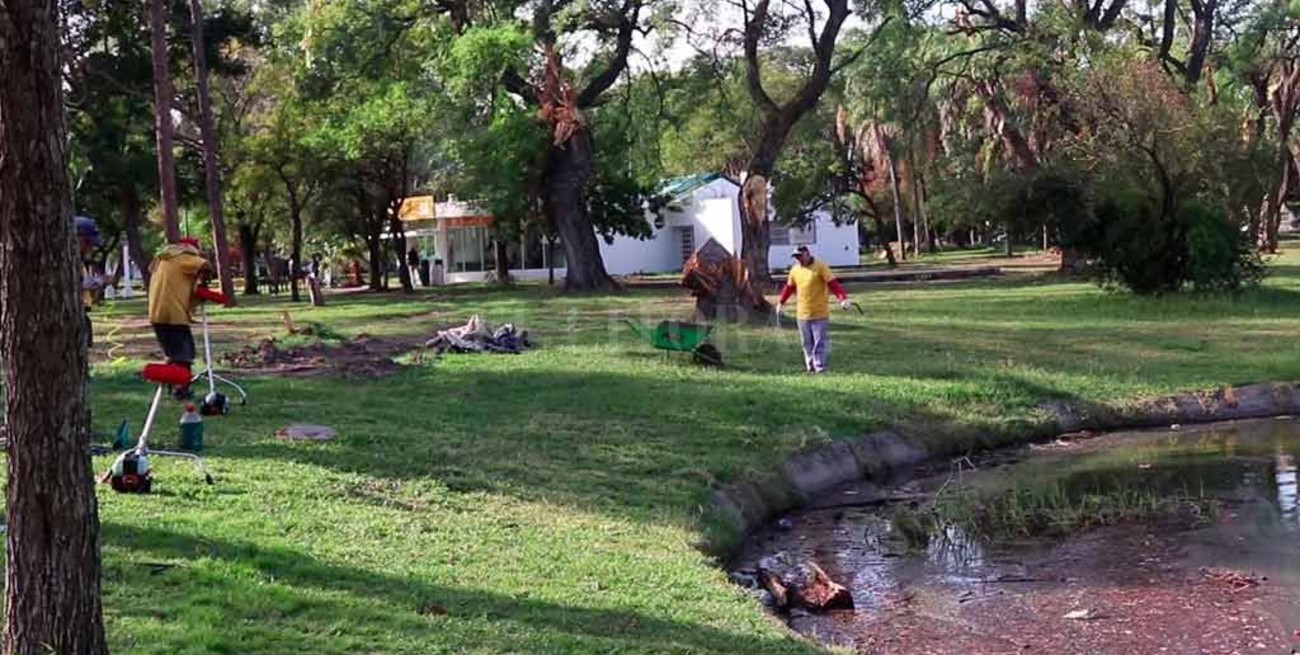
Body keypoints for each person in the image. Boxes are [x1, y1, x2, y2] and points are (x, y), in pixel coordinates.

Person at [148, 237, 212, 399]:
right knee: (185, 353)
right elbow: (205, 265)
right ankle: (181, 389)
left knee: (171, 352)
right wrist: (205, 279)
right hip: (173, 314)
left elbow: (181, 288)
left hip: (156, 313)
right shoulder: (184, 256)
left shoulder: (163, 259)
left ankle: (171, 385)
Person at [775, 245, 852, 374]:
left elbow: (833, 284)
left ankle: (819, 367)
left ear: (807, 254)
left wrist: (843, 298)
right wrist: (781, 303)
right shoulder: (795, 270)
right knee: (806, 342)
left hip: (819, 312)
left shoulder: (820, 266)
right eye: (796, 257)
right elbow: (789, 288)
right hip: (802, 313)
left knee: (819, 342)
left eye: (800, 256)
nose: (798, 259)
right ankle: (810, 366)